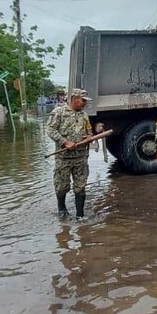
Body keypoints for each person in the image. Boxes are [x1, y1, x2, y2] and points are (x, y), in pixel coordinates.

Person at [47, 89, 93, 219]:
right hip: (64, 159)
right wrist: (64, 142)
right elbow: (50, 129)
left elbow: (89, 131)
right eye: (83, 100)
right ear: (74, 99)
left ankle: (80, 216)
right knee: (62, 186)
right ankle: (62, 209)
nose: (85, 104)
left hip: (81, 158)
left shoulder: (84, 115)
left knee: (80, 187)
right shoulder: (59, 112)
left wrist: (90, 137)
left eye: (86, 101)